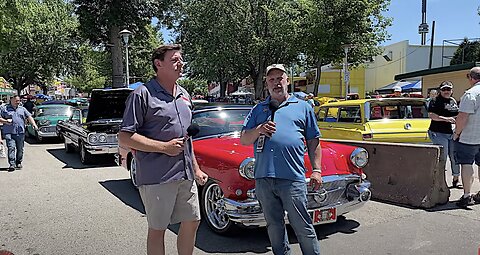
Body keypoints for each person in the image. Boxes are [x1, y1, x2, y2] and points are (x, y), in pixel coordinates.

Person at [118, 44, 209, 255]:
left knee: (193, 221)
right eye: (175, 60)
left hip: (185, 175)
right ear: (158, 64)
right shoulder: (142, 94)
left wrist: (195, 169)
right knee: (158, 229)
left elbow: (188, 138)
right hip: (157, 177)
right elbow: (124, 136)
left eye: (181, 59)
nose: (181, 64)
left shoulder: (185, 95)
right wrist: (164, 148)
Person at [240, 64, 322, 255]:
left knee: (303, 227)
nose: (276, 83)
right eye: (272, 79)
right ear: (267, 83)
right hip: (264, 179)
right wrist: (259, 129)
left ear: (287, 80)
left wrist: (316, 170)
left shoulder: (303, 107)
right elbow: (244, 139)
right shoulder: (258, 109)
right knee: (274, 227)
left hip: (292, 178)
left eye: (280, 78)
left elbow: (314, 141)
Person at [454, 67, 480, 208]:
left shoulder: (470, 94)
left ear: (471, 77)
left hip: (470, 137)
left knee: (467, 164)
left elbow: (462, 117)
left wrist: (457, 133)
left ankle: (467, 195)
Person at [427, 81, 460, 188]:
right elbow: (431, 115)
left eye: (448, 89)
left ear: (452, 90)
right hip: (438, 132)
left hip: (452, 133)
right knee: (442, 157)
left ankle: (456, 179)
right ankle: (440, 182)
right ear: (440, 90)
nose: (446, 91)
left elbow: (458, 115)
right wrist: (446, 119)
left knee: (454, 156)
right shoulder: (435, 101)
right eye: (444, 89)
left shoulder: (453, 101)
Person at [0, 95, 38, 171]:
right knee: (11, 147)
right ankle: (12, 164)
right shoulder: (4, 109)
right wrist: (5, 121)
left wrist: (34, 124)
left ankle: (18, 162)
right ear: (11, 100)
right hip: (9, 132)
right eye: (16, 101)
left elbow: (29, 116)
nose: (18, 102)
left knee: (20, 149)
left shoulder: (22, 109)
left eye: (19, 100)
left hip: (20, 132)